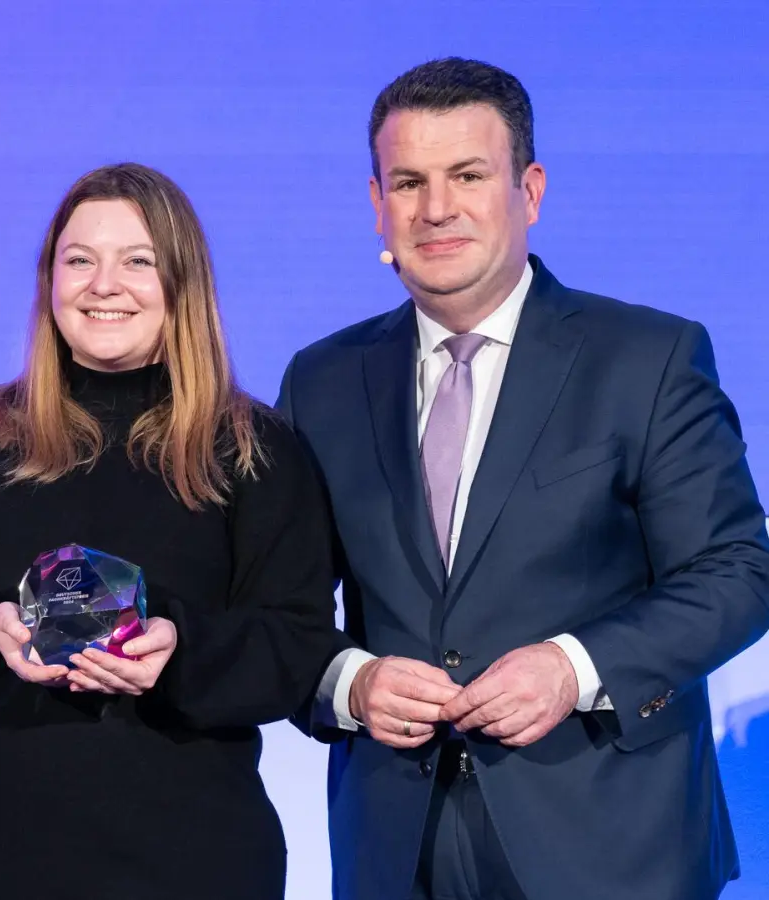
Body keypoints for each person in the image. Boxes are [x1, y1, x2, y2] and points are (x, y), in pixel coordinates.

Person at [281, 57, 769, 900]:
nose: (436, 208)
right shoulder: (321, 380)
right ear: (377, 204)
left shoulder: (647, 358)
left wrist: (573, 667)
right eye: (409, 183)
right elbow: (275, 606)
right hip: (397, 849)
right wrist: (348, 684)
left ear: (529, 191)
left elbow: (738, 571)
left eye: (468, 175)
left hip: (612, 844)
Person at [0, 162, 338, 899]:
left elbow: (297, 644)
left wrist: (179, 649)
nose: (103, 285)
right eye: (79, 260)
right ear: (49, 280)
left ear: (182, 282)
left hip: (195, 864)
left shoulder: (254, 449)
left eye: (137, 262)